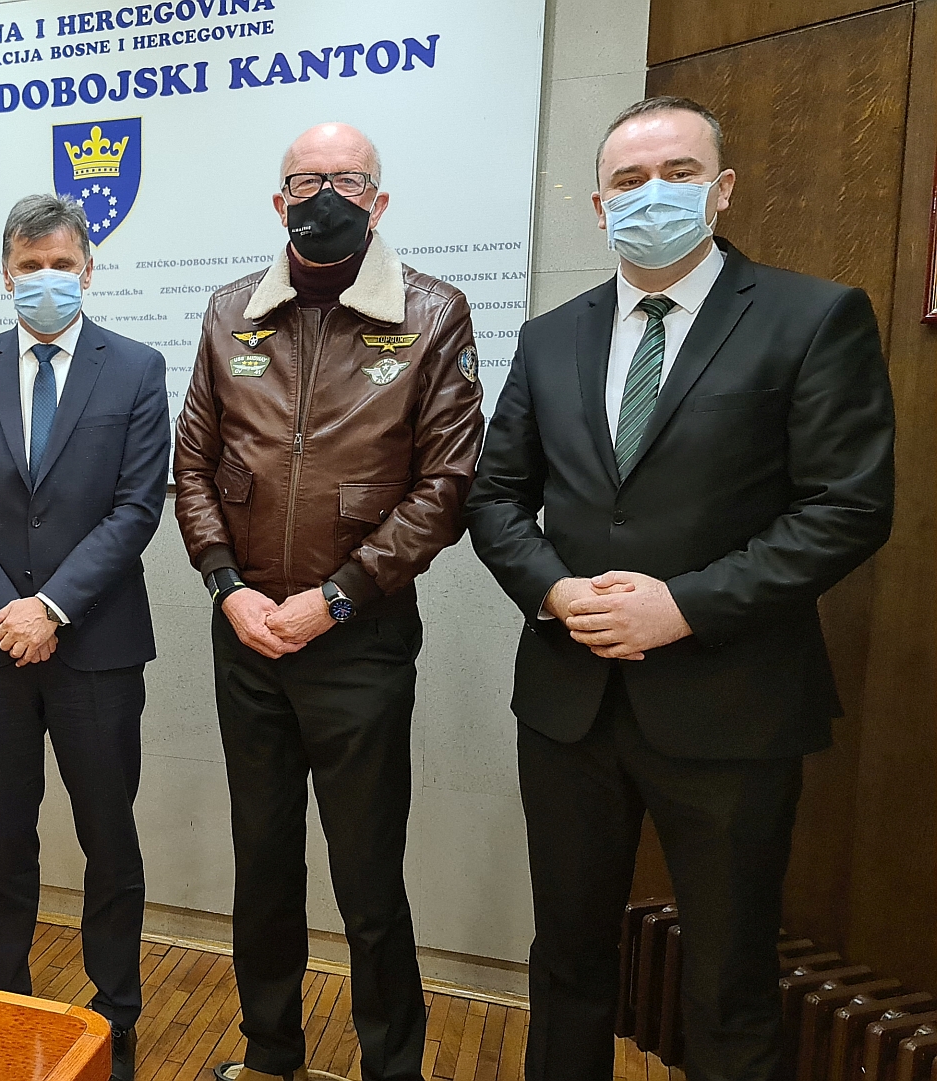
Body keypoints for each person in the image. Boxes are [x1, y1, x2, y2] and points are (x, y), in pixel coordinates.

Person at [467, 96, 895, 1081]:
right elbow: (495, 499)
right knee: (566, 957)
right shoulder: (550, 337)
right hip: (570, 704)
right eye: (628, 180)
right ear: (598, 204)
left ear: (722, 188)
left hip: (733, 703)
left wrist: (683, 605)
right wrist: (556, 592)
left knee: (729, 978)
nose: (651, 194)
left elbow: (847, 508)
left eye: (678, 173)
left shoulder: (811, 316)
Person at [174, 123, 485, 1081]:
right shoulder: (231, 311)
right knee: (262, 864)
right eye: (304, 180)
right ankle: (271, 1053)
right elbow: (193, 465)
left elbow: (447, 486)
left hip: (359, 641)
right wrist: (227, 588)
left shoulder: (432, 313)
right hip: (248, 637)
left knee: (368, 877)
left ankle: (393, 1065)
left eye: (347, 180)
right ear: (279, 201)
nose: (324, 195)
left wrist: (337, 598)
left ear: (378, 201)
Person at [0, 193, 170, 1081]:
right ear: (5, 274)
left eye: (61, 265)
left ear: (88, 271)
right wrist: (10, 610)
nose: (45, 280)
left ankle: (116, 1015)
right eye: (29, 267)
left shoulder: (135, 368)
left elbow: (136, 508)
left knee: (109, 838)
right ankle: (4, 997)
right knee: (2, 838)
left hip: (97, 646)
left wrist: (52, 607)